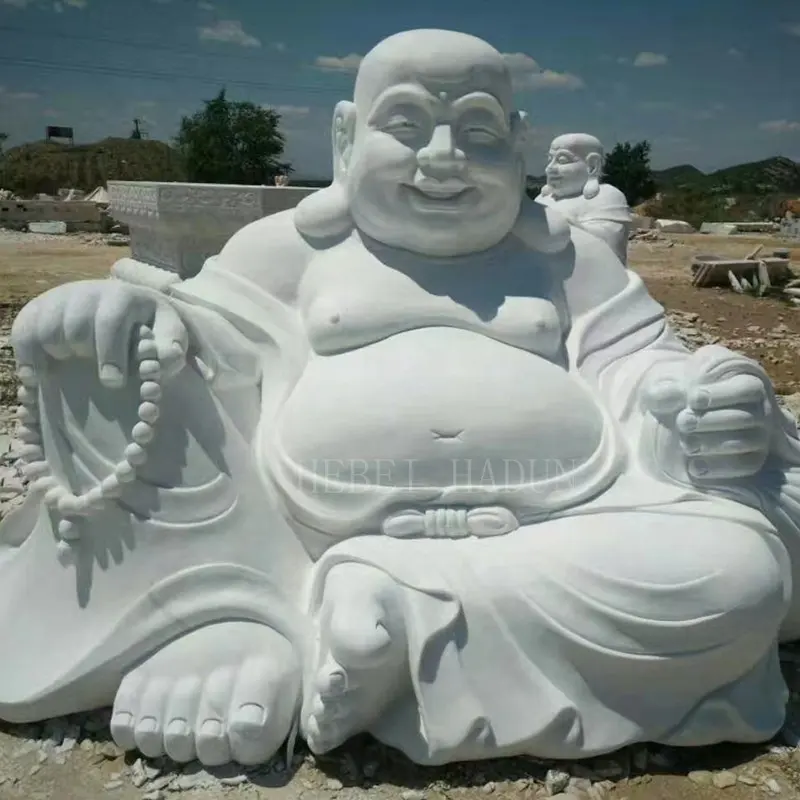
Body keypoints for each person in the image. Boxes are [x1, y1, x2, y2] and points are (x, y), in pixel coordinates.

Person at [3, 28, 800, 768]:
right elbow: (199, 345)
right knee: (112, 360)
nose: (446, 158)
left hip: (565, 530)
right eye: (408, 127)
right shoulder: (289, 251)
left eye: (480, 132)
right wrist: (115, 315)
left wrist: (701, 399)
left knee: (741, 574)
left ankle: (385, 611)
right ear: (348, 138)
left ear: (519, 143)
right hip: (287, 526)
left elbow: (639, 367)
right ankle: (231, 618)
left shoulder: (570, 263)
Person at [536, 133, 632, 263]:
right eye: (550, 159)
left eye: (562, 160)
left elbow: (609, 248)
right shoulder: (542, 199)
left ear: (592, 166)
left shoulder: (607, 196)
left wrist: (561, 225)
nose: (549, 168)